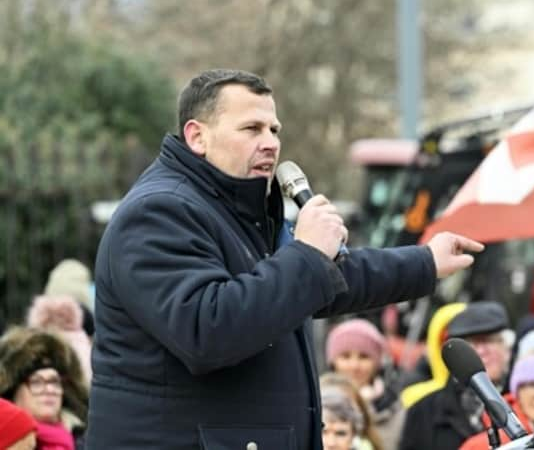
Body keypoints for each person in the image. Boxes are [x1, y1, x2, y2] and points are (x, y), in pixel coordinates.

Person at [85, 69, 482, 450]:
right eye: (251, 129)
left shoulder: (235, 209)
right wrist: (307, 253)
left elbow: (321, 284)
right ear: (197, 136)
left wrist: (424, 262)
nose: (271, 143)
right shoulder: (159, 213)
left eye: (274, 130)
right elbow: (208, 330)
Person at [399, 301, 511, 450]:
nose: (482, 352)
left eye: (489, 341)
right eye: (471, 345)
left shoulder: (527, 403)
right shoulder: (424, 411)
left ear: (507, 348)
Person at [0, 327, 88, 449]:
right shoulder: (8, 443)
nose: (49, 390)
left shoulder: (86, 436)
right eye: (37, 382)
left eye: (54, 381)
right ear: (13, 390)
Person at [325, 320, 402, 450]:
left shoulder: (395, 408)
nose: (354, 365)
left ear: (377, 363)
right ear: (333, 362)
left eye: (364, 357)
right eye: (345, 356)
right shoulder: (312, 403)